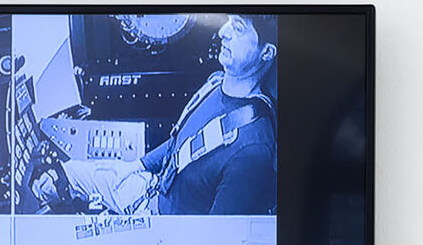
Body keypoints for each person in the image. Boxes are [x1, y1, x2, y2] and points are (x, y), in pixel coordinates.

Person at [55, 13, 277, 216]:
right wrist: (135, 166)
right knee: (64, 174)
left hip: (161, 227)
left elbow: (214, 238)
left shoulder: (253, 150)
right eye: (227, 22)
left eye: (238, 28)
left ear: (266, 53)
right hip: (151, 190)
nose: (223, 32)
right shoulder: (215, 82)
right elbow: (178, 144)